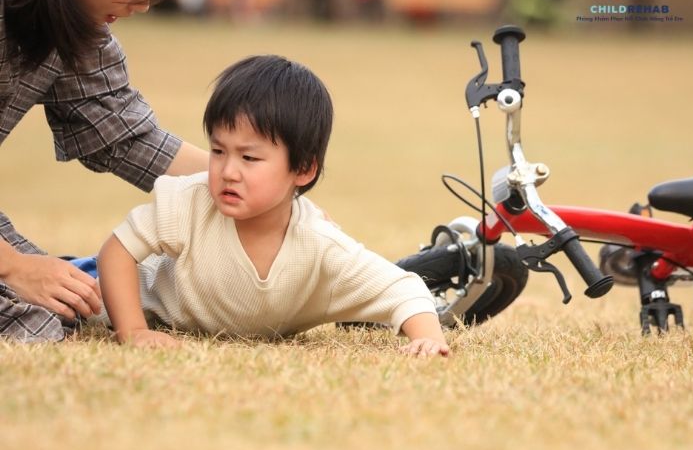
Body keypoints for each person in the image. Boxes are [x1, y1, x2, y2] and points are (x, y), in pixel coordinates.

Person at [96, 55, 450, 358]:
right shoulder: (191, 201)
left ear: (303, 169)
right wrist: (134, 330)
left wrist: (428, 339)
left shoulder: (319, 245)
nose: (227, 171)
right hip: (116, 296)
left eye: (249, 157)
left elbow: (402, 288)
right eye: (218, 151)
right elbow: (117, 251)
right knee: (69, 300)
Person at [0, 0, 209, 343]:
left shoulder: (66, 10)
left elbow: (125, 133)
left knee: (67, 306)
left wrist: (268, 188)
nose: (146, 4)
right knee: (29, 323)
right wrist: (13, 266)